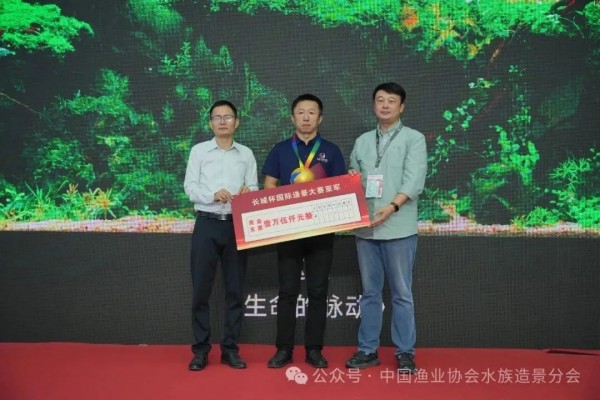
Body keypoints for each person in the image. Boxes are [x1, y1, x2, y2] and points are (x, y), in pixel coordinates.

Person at [345, 82, 427, 373]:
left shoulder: (414, 139)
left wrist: (391, 207)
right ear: (373, 105)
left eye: (391, 101)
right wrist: (352, 176)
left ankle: (405, 353)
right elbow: (354, 175)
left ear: (401, 107)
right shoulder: (363, 141)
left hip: (398, 227)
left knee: (401, 293)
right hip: (366, 228)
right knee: (370, 293)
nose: (385, 105)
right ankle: (367, 350)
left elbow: (414, 182)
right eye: (380, 100)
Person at [262, 94, 346, 369]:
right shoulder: (280, 149)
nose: (306, 117)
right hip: (289, 229)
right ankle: (283, 349)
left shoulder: (331, 151)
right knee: (287, 291)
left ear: (320, 118)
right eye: (301, 112)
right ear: (292, 117)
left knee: (318, 291)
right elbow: (269, 185)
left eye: (312, 112)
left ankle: (314, 350)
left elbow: (341, 188)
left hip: (321, 230)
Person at [184, 100, 258, 371]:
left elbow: (253, 186)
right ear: (210, 123)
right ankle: (200, 350)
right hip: (207, 223)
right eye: (217, 117)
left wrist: (248, 192)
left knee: (235, 290)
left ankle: (230, 349)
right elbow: (190, 187)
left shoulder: (246, 154)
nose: (223, 121)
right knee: (201, 290)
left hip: (236, 226)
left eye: (228, 117)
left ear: (237, 122)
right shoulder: (199, 151)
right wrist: (212, 195)